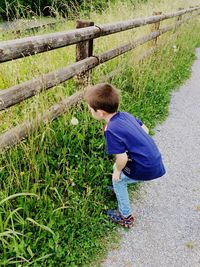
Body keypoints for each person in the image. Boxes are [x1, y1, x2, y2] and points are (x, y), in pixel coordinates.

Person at [85, 83, 166, 228]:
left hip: (146, 168)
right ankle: (120, 188)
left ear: (101, 113)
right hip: (154, 159)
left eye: (90, 109)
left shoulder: (111, 130)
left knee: (118, 179)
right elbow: (145, 130)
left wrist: (117, 171)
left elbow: (121, 158)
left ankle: (126, 217)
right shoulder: (125, 116)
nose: (89, 111)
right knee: (120, 173)